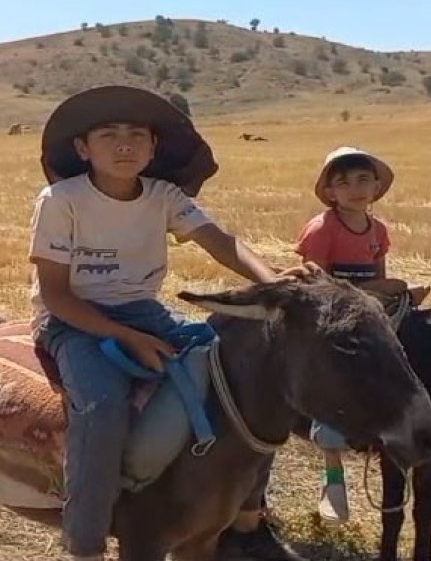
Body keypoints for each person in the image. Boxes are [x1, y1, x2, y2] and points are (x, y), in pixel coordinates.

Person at [27, 85, 299, 561]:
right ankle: (86, 539)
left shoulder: (163, 196)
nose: (124, 144)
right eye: (108, 134)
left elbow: (220, 242)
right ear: (82, 148)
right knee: (103, 405)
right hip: (72, 320)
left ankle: (244, 511)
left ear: (153, 148)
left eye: (137, 135)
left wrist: (274, 282)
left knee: (236, 375)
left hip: (143, 310)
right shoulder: (61, 200)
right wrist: (126, 338)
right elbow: (55, 294)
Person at [294, 146, 431, 522]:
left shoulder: (377, 229)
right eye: (344, 182)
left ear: (377, 186)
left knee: (418, 344)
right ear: (330, 192)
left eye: (364, 179)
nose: (355, 188)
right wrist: (369, 295)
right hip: (336, 309)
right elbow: (316, 281)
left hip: (374, 304)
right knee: (337, 363)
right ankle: (329, 446)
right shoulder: (323, 229)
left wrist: (394, 292)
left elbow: (379, 273)